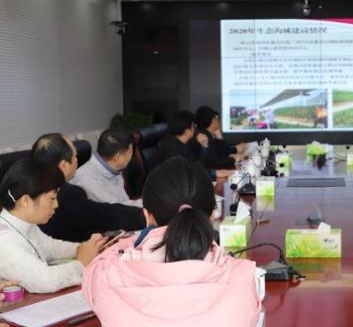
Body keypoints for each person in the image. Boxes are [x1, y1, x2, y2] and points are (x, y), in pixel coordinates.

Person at [82, 157, 261, 326]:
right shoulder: (241, 278)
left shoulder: (104, 275)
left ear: (147, 215)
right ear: (213, 214)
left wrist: (134, 241)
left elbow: (101, 261)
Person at [0, 158, 104, 293]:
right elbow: (46, 281)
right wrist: (81, 263)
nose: (56, 205)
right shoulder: (4, 240)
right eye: (52, 198)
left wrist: (84, 248)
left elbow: (49, 247)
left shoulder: (24, 224)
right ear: (25, 201)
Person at [32, 133, 146, 242]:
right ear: (64, 165)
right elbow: (105, 214)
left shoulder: (32, 189)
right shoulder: (67, 195)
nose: (77, 160)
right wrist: (145, 215)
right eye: (75, 156)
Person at [158, 111, 233, 183]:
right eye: (194, 126)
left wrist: (204, 146)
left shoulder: (183, 143)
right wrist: (214, 173)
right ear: (187, 131)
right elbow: (187, 173)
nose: (196, 129)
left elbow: (198, 165)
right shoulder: (170, 148)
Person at [70, 128, 139, 206]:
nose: (131, 156)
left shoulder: (113, 169)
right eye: (131, 152)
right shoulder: (87, 180)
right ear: (118, 157)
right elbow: (118, 208)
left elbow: (124, 201)